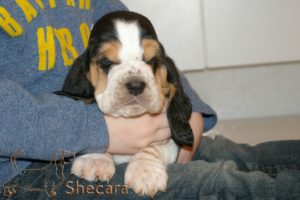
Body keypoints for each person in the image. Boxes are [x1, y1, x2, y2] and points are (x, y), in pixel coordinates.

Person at [0, 1, 299, 199]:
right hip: (24, 172)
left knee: (239, 155)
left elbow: (134, 32)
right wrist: (100, 133)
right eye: (108, 63)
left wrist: (187, 109)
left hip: (142, 127)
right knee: (224, 187)